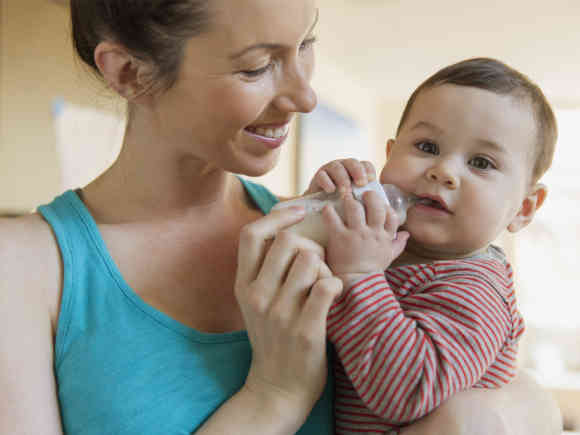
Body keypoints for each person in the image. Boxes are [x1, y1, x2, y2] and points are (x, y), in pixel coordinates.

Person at [0, 0, 560, 433]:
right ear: (127, 73)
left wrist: (514, 413)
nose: (306, 96)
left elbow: (485, 391)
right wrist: (275, 393)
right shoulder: (23, 270)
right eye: (258, 66)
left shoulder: (325, 233)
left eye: (305, 44)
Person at [304, 58, 559, 434]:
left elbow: (405, 392)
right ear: (389, 155)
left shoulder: (475, 291)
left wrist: (359, 275)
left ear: (523, 208)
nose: (444, 171)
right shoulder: (377, 242)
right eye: (427, 146)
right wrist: (322, 210)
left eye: (481, 162)